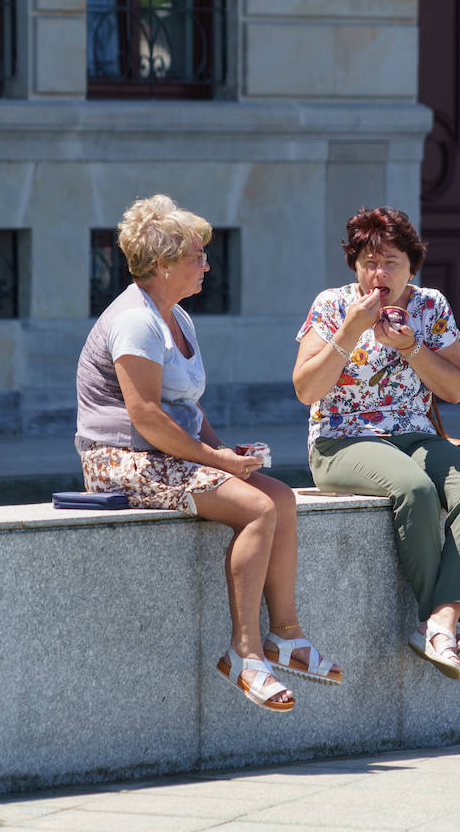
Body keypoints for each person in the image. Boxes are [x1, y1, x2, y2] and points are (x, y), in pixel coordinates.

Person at [76, 194, 341, 713]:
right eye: (197, 255)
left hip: (165, 454)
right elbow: (147, 416)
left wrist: (222, 450)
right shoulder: (135, 321)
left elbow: (186, 406)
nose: (206, 264)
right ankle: (243, 653)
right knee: (257, 508)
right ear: (163, 264)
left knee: (281, 497)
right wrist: (216, 462)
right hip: (119, 460)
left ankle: (284, 636)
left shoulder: (176, 317)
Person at [292, 206, 460, 680]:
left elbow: (455, 388)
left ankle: (442, 620)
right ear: (354, 265)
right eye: (368, 261)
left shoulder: (431, 307)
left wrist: (410, 347)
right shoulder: (331, 306)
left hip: (414, 433)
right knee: (415, 489)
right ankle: (435, 628)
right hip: (341, 440)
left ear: (412, 265)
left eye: (391, 262)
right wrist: (350, 331)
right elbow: (306, 390)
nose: (378, 273)